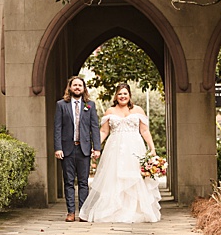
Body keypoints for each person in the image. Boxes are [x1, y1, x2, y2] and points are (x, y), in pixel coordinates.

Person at [79, 83, 161, 223]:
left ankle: (135, 210)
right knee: (114, 176)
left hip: (135, 148)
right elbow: (104, 131)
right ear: (116, 96)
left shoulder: (138, 110)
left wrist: (152, 148)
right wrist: (96, 147)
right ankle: (114, 209)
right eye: (120, 94)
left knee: (134, 177)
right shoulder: (110, 111)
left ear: (129, 96)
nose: (123, 96)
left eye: (125, 94)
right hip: (114, 148)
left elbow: (145, 131)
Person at [53, 75, 101, 222]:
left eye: (80, 85)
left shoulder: (90, 105)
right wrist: (58, 148)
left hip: (84, 149)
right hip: (67, 149)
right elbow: (57, 128)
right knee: (68, 181)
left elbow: (94, 127)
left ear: (83, 88)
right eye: (75, 85)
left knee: (83, 182)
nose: (77, 87)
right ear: (70, 87)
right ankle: (70, 212)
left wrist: (97, 148)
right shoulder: (61, 105)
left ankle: (83, 213)